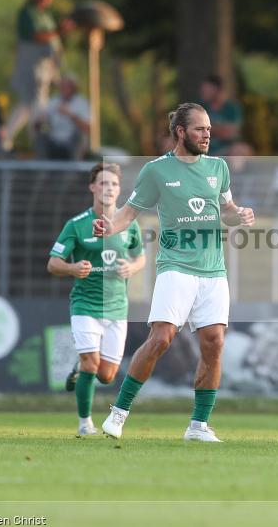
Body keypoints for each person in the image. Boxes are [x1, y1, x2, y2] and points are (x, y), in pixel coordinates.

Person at [93, 103, 255, 442]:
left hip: (214, 272)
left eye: (209, 128)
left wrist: (239, 215)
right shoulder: (156, 171)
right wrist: (108, 228)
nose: (207, 133)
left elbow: (225, 210)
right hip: (176, 267)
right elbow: (128, 213)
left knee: (214, 343)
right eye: (199, 129)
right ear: (180, 132)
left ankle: (198, 426)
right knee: (161, 338)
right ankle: (119, 413)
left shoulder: (218, 168)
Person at [47, 162, 146, 436]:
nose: (108, 188)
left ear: (119, 189)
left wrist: (132, 268)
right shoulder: (77, 225)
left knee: (107, 375)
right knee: (92, 363)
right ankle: (84, 423)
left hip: (116, 307)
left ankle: (80, 368)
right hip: (85, 305)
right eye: (103, 183)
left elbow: (141, 258)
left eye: (113, 184)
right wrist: (72, 268)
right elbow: (53, 263)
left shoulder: (129, 224)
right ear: (93, 187)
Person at [4, 0, 75, 150]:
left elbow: (53, 43)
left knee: (28, 107)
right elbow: (37, 37)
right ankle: (37, 146)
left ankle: (5, 139)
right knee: (36, 107)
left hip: (44, 71)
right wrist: (59, 31)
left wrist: (56, 72)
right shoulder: (27, 13)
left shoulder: (45, 15)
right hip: (31, 69)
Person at [33, 75, 90, 160]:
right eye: (62, 86)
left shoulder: (82, 103)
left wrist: (71, 115)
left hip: (72, 143)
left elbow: (88, 128)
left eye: (67, 86)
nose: (64, 89)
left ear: (74, 88)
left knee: (80, 137)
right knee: (39, 137)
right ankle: (43, 169)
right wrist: (41, 121)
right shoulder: (53, 102)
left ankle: (74, 168)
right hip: (53, 141)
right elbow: (36, 126)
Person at [198, 74, 243, 156]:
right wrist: (220, 129)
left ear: (216, 90)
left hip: (225, 149)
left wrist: (205, 129)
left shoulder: (231, 108)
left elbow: (230, 133)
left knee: (240, 150)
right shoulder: (200, 108)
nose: (202, 91)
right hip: (201, 149)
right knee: (170, 142)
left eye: (207, 89)